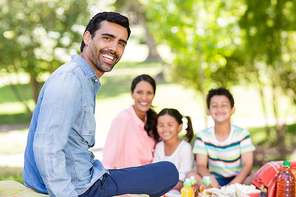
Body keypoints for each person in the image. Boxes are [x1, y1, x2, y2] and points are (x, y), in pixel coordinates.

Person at [23, 11, 178, 197]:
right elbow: (46, 147)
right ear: (87, 38)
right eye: (107, 38)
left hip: (88, 177)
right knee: (167, 172)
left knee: (165, 171)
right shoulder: (70, 79)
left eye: (121, 43)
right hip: (79, 188)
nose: (114, 48)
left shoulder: (84, 79)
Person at [186, 87, 255, 188]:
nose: (219, 109)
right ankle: (218, 192)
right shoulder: (203, 136)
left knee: (259, 175)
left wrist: (233, 185)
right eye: (214, 106)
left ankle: (226, 192)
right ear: (208, 111)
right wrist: (211, 180)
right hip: (214, 181)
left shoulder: (242, 134)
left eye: (224, 105)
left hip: (240, 180)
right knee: (190, 175)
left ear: (232, 109)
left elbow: (248, 165)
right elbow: (201, 166)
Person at [102, 74, 158, 169]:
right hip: (130, 181)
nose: (144, 97)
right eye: (139, 92)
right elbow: (109, 160)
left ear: (153, 95)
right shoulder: (123, 119)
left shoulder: (154, 120)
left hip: (152, 178)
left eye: (149, 93)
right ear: (132, 93)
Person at [152, 108, 195, 192]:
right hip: (164, 186)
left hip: (182, 187)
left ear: (179, 127)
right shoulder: (159, 147)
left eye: (170, 125)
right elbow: (155, 170)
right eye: (161, 125)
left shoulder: (185, 148)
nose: (165, 129)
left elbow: (183, 178)